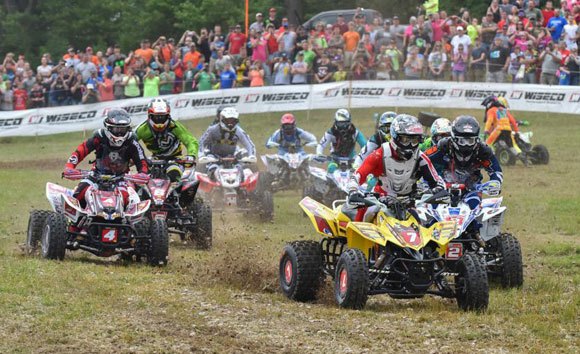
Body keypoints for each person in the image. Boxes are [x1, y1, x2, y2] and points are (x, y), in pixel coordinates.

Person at [347, 114, 445, 222]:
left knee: (425, 223)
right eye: (405, 139)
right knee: (366, 213)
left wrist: (436, 191)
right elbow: (358, 175)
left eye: (415, 140)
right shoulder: (379, 154)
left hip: (408, 204)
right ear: (395, 137)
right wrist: (353, 190)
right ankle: (353, 237)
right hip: (380, 201)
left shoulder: (421, 158)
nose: (410, 145)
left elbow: (437, 182)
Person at [62, 109, 149, 209]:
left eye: (123, 129)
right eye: (117, 129)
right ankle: (74, 223)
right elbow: (80, 151)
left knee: (126, 199)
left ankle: (125, 222)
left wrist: (143, 173)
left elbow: (142, 162)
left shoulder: (132, 141)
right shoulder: (99, 137)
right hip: (96, 176)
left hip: (121, 179)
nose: (120, 133)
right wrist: (70, 167)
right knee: (78, 194)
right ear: (108, 127)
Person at [426, 115, 503, 209]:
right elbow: (424, 159)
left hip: (472, 189)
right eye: (462, 141)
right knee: (432, 210)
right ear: (453, 138)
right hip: (443, 187)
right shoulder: (444, 145)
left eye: (470, 141)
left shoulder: (483, 150)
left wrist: (495, 182)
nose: (466, 145)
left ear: (477, 139)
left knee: (475, 210)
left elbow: (496, 170)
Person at [135, 98, 199, 182]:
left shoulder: (175, 127)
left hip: (175, 159)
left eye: (162, 117)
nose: (159, 120)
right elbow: (129, 142)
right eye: (156, 117)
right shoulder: (142, 129)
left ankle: (177, 193)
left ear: (168, 115)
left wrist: (191, 155)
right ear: (149, 115)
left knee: (174, 174)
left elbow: (190, 141)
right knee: (143, 178)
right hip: (154, 160)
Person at [199, 107, 257, 180]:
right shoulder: (212, 130)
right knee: (212, 171)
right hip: (214, 158)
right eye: (228, 120)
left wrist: (252, 155)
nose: (230, 124)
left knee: (241, 172)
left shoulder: (239, 131)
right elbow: (201, 142)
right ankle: (212, 190)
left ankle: (242, 190)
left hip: (232, 158)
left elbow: (249, 144)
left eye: (233, 121)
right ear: (222, 119)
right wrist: (201, 155)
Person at [482, 97, 526, 164]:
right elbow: (513, 121)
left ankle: (484, 159)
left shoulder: (491, 110)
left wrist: (486, 130)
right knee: (511, 146)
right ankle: (521, 157)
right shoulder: (504, 111)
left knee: (487, 143)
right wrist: (516, 131)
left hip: (498, 129)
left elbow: (489, 121)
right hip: (508, 130)